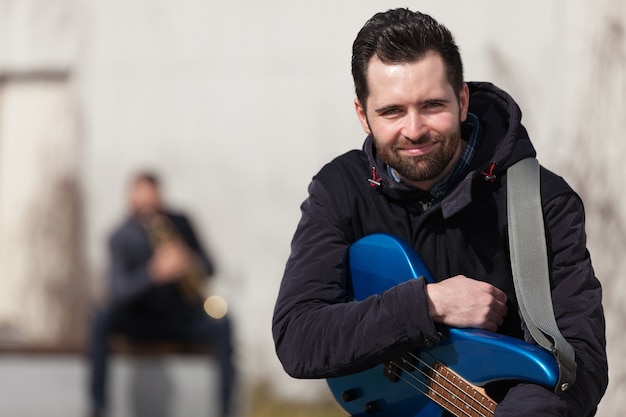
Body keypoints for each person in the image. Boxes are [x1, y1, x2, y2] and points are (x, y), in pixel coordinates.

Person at [272, 8, 607, 416]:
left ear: (462, 100)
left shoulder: (541, 200)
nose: (414, 129)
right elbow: (297, 337)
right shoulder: (339, 191)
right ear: (363, 115)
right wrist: (427, 304)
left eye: (431, 105)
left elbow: (582, 362)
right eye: (392, 111)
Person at [88, 172, 235, 417]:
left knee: (223, 323)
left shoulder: (181, 223)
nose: (149, 210)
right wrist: (153, 274)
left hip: (178, 317)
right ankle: (97, 406)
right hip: (139, 319)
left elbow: (210, 268)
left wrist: (189, 261)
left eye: (153, 202)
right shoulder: (119, 236)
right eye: (143, 203)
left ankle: (226, 408)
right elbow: (117, 292)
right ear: (131, 200)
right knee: (101, 318)